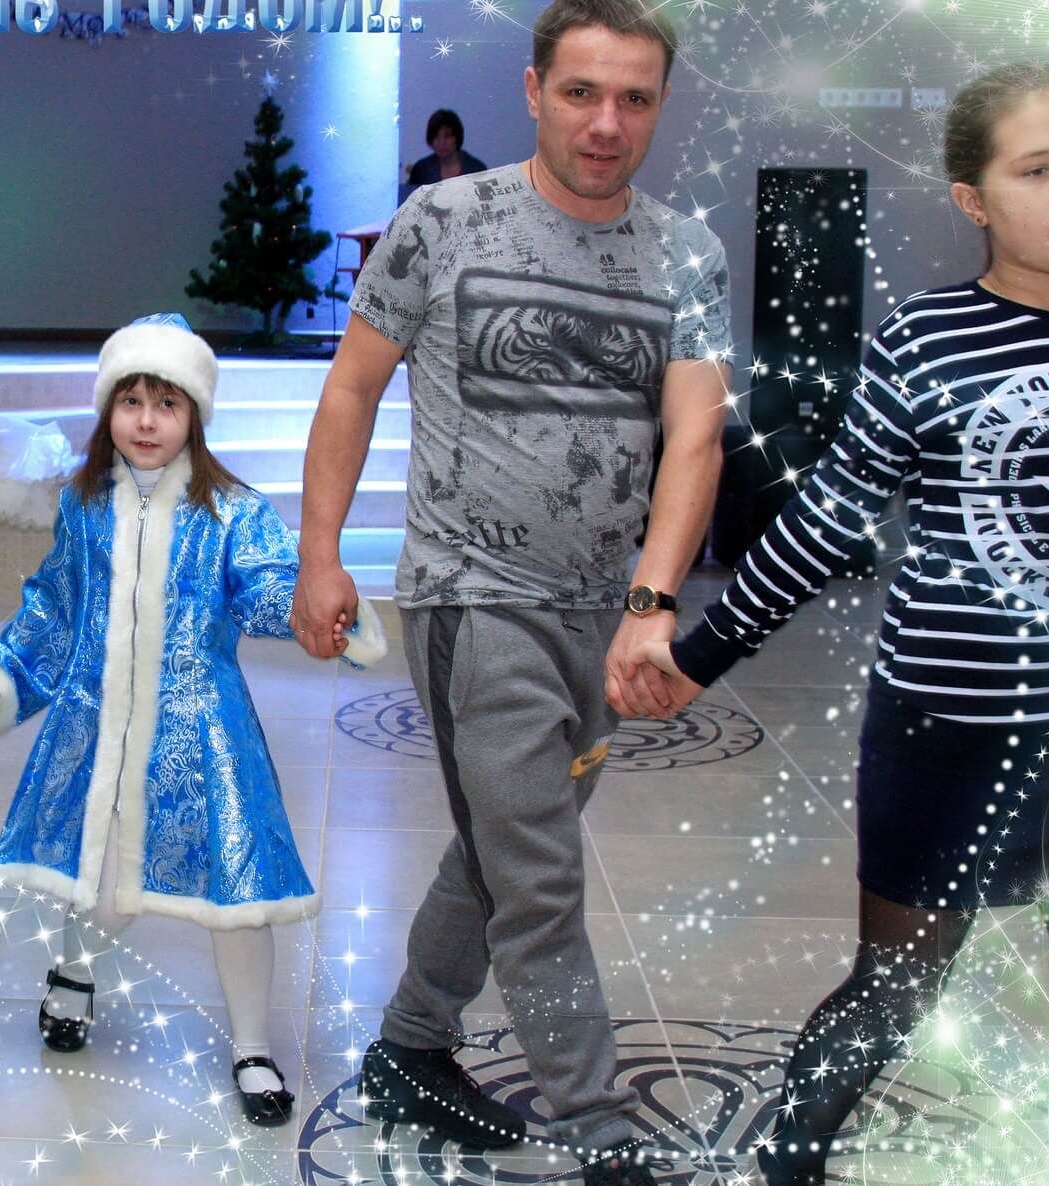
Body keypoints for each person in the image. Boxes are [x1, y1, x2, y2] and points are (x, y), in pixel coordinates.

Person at [289, 0, 734, 1178]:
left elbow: (696, 434)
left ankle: (410, 1043)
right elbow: (351, 388)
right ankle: (598, 1130)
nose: (606, 122)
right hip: (473, 597)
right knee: (538, 874)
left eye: (634, 98)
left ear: (660, 106)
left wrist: (652, 603)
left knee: (505, 843)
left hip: (601, 613)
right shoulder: (443, 222)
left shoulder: (686, 251)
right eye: (581, 92)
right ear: (534, 92)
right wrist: (321, 555)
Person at [635, 63, 1049, 1186]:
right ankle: (787, 1162)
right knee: (897, 987)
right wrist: (698, 654)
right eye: (1038, 169)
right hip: (948, 732)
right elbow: (828, 520)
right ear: (973, 199)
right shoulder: (928, 339)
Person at [0, 313, 385, 1127]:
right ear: (108, 411)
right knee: (100, 877)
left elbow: (268, 588)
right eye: (131, 401)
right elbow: (57, 604)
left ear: (195, 414)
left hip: (206, 736)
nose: (148, 421)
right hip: (98, 726)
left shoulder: (232, 511)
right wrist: (2, 674)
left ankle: (252, 1046)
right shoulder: (84, 507)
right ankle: (73, 976)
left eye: (167, 403)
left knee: (239, 894)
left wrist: (324, 611)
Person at [401, 109, 490, 202]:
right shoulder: (422, 169)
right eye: (436, 137)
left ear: (457, 138)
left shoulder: (476, 169)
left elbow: (487, 204)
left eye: (447, 136)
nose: (442, 142)